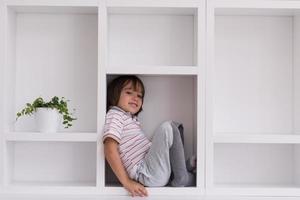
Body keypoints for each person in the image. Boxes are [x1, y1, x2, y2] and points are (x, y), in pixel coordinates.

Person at [102, 75, 196, 197]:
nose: (135, 98)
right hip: (145, 173)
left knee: (176, 128)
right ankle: (182, 173)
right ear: (114, 95)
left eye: (139, 96)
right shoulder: (115, 115)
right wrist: (127, 182)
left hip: (153, 172)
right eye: (129, 92)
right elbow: (109, 149)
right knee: (167, 127)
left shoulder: (130, 119)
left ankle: (183, 171)